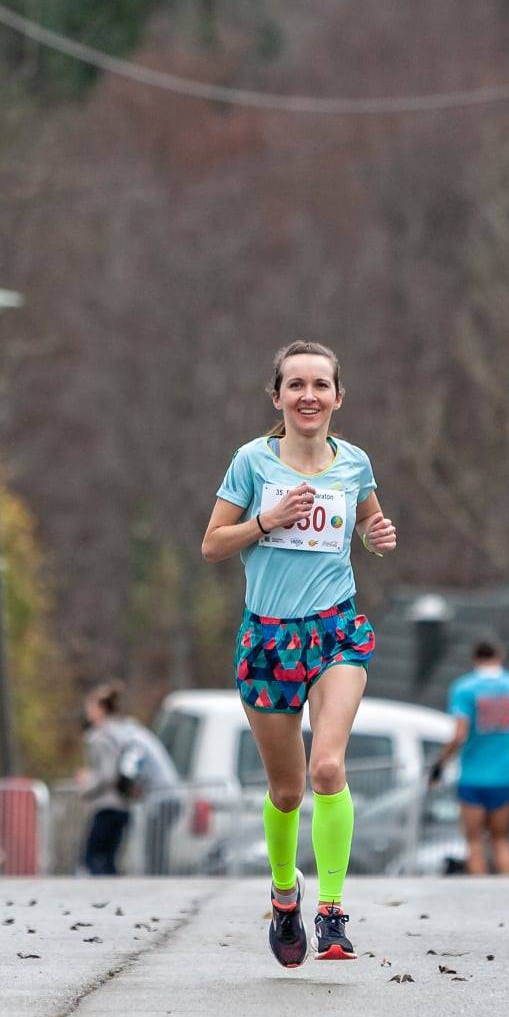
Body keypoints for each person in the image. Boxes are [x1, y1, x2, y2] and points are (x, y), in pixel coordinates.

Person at [202, 340, 397, 967]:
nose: (308, 396)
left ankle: (332, 912)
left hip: (335, 631)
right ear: (278, 396)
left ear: (338, 397)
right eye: (296, 386)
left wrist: (377, 535)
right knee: (287, 792)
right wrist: (267, 519)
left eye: (320, 385)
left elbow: (368, 523)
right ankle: (286, 896)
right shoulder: (252, 463)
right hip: (269, 638)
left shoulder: (355, 462)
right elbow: (212, 544)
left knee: (328, 770)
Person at [430, 639, 509, 875]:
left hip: (473, 775)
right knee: (501, 839)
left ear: (475, 658)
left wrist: (440, 763)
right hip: (505, 773)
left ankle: (480, 895)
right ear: (500, 655)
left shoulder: (464, 688)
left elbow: (460, 733)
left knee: (474, 842)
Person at [77, 682, 180, 876]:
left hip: (161, 796)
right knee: (146, 849)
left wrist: (91, 786)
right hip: (164, 794)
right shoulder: (135, 734)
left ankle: (157, 881)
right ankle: (157, 879)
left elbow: (125, 770)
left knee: (152, 848)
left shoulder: (128, 738)